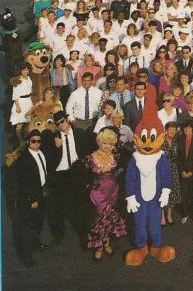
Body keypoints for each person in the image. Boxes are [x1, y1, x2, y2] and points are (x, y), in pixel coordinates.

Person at [48, 109, 93, 247]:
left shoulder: (79, 134)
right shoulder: (54, 138)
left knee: (81, 208)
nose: (62, 125)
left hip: (77, 173)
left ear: (67, 120)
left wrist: (87, 173)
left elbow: (87, 152)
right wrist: (55, 147)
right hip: (61, 175)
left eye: (63, 121)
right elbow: (49, 160)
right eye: (58, 123)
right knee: (58, 209)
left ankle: (84, 238)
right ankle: (57, 238)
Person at [84, 128, 127, 260]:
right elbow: (83, 175)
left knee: (109, 218)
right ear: (99, 142)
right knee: (99, 219)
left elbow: (124, 166)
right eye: (104, 143)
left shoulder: (115, 154)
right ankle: (99, 246)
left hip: (113, 190)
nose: (107, 146)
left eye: (110, 143)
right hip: (98, 192)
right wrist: (90, 184)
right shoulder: (91, 157)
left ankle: (107, 242)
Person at [13, 130, 50, 268]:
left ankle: (35, 244)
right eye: (33, 141)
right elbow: (23, 183)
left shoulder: (41, 153)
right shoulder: (24, 158)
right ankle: (26, 257)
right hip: (30, 199)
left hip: (41, 194)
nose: (36, 144)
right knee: (27, 228)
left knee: (38, 223)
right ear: (28, 141)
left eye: (38, 141)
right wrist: (31, 200)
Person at [177, 121, 193, 224]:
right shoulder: (180, 139)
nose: (187, 130)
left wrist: (192, 171)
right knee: (184, 195)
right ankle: (185, 214)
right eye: (185, 128)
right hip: (183, 172)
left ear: (192, 129)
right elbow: (178, 157)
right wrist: (182, 171)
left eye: (189, 128)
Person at [162, 121, 181, 226]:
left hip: (174, 169)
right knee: (162, 193)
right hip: (163, 170)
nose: (172, 131)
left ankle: (169, 215)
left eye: (174, 129)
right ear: (166, 130)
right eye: (170, 129)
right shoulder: (160, 141)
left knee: (172, 193)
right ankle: (161, 216)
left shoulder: (176, 141)